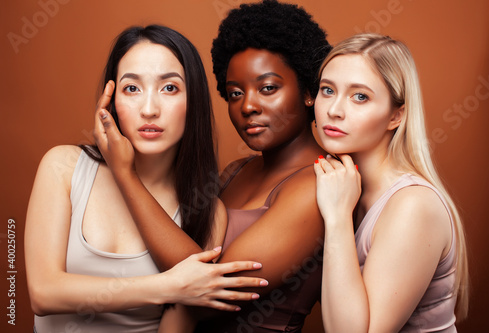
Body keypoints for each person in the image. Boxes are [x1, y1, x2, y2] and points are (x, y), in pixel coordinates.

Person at [93, 1, 332, 332]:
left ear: (308, 90)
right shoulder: (237, 171)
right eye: (234, 93)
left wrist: (124, 174)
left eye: (267, 88)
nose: (247, 106)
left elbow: (207, 290)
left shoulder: (320, 184)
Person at [24, 25, 268, 333]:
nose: (149, 110)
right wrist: (168, 285)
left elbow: (177, 322)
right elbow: (43, 293)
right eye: (132, 89)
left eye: (169, 88)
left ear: (193, 102)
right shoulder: (63, 166)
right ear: (110, 102)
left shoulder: (207, 212)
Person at [313, 33, 469, 332]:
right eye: (327, 90)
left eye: (360, 96)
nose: (334, 110)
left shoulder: (413, 205)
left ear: (396, 115)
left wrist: (337, 219)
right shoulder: (343, 185)